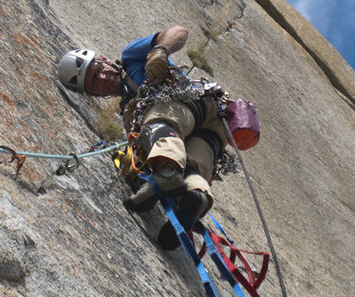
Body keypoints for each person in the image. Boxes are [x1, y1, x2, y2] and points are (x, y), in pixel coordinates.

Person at [58, 26, 230, 249]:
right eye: (93, 83)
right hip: (211, 130)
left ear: (103, 59)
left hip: (187, 104)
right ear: (95, 94)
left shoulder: (131, 57)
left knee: (157, 126)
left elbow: (179, 32)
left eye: (97, 68)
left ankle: (167, 173)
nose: (101, 77)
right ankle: (195, 199)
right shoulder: (126, 110)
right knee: (192, 169)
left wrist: (159, 51)